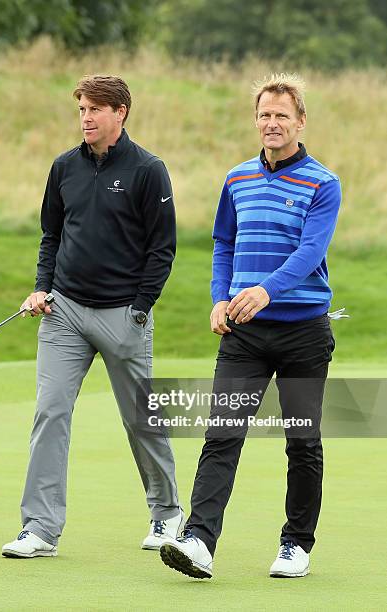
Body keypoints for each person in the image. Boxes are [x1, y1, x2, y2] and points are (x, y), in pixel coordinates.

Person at [159, 73, 341, 579]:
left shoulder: (323, 183)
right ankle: (197, 540)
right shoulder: (237, 178)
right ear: (256, 120)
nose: (272, 123)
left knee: (301, 439)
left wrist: (265, 290)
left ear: (300, 122)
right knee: (222, 434)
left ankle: (296, 545)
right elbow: (223, 244)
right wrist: (221, 298)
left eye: (283, 115)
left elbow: (310, 253)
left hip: (303, 330)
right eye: (265, 114)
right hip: (245, 333)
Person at [2, 75, 184, 558]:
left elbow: (162, 248)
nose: (86, 117)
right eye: (82, 108)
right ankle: (40, 528)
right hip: (64, 313)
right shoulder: (64, 167)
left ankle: (167, 514)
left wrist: (141, 308)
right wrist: (42, 287)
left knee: (140, 419)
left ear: (120, 113)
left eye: (95, 109)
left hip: (124, 314)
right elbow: (51, 236)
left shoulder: (148, 169)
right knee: (50, 414)